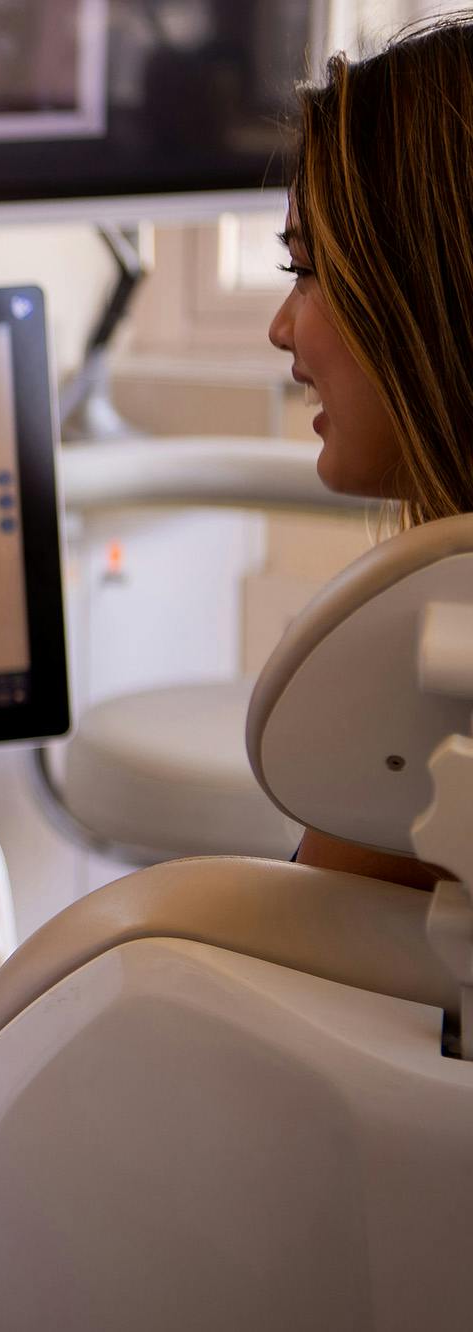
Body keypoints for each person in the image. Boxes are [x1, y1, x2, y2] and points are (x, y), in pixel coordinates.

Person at [268, 10, 473, 892]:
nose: (281, 329)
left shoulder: (439, 667)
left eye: (305, 272)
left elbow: (291, 977)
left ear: (427, 291)